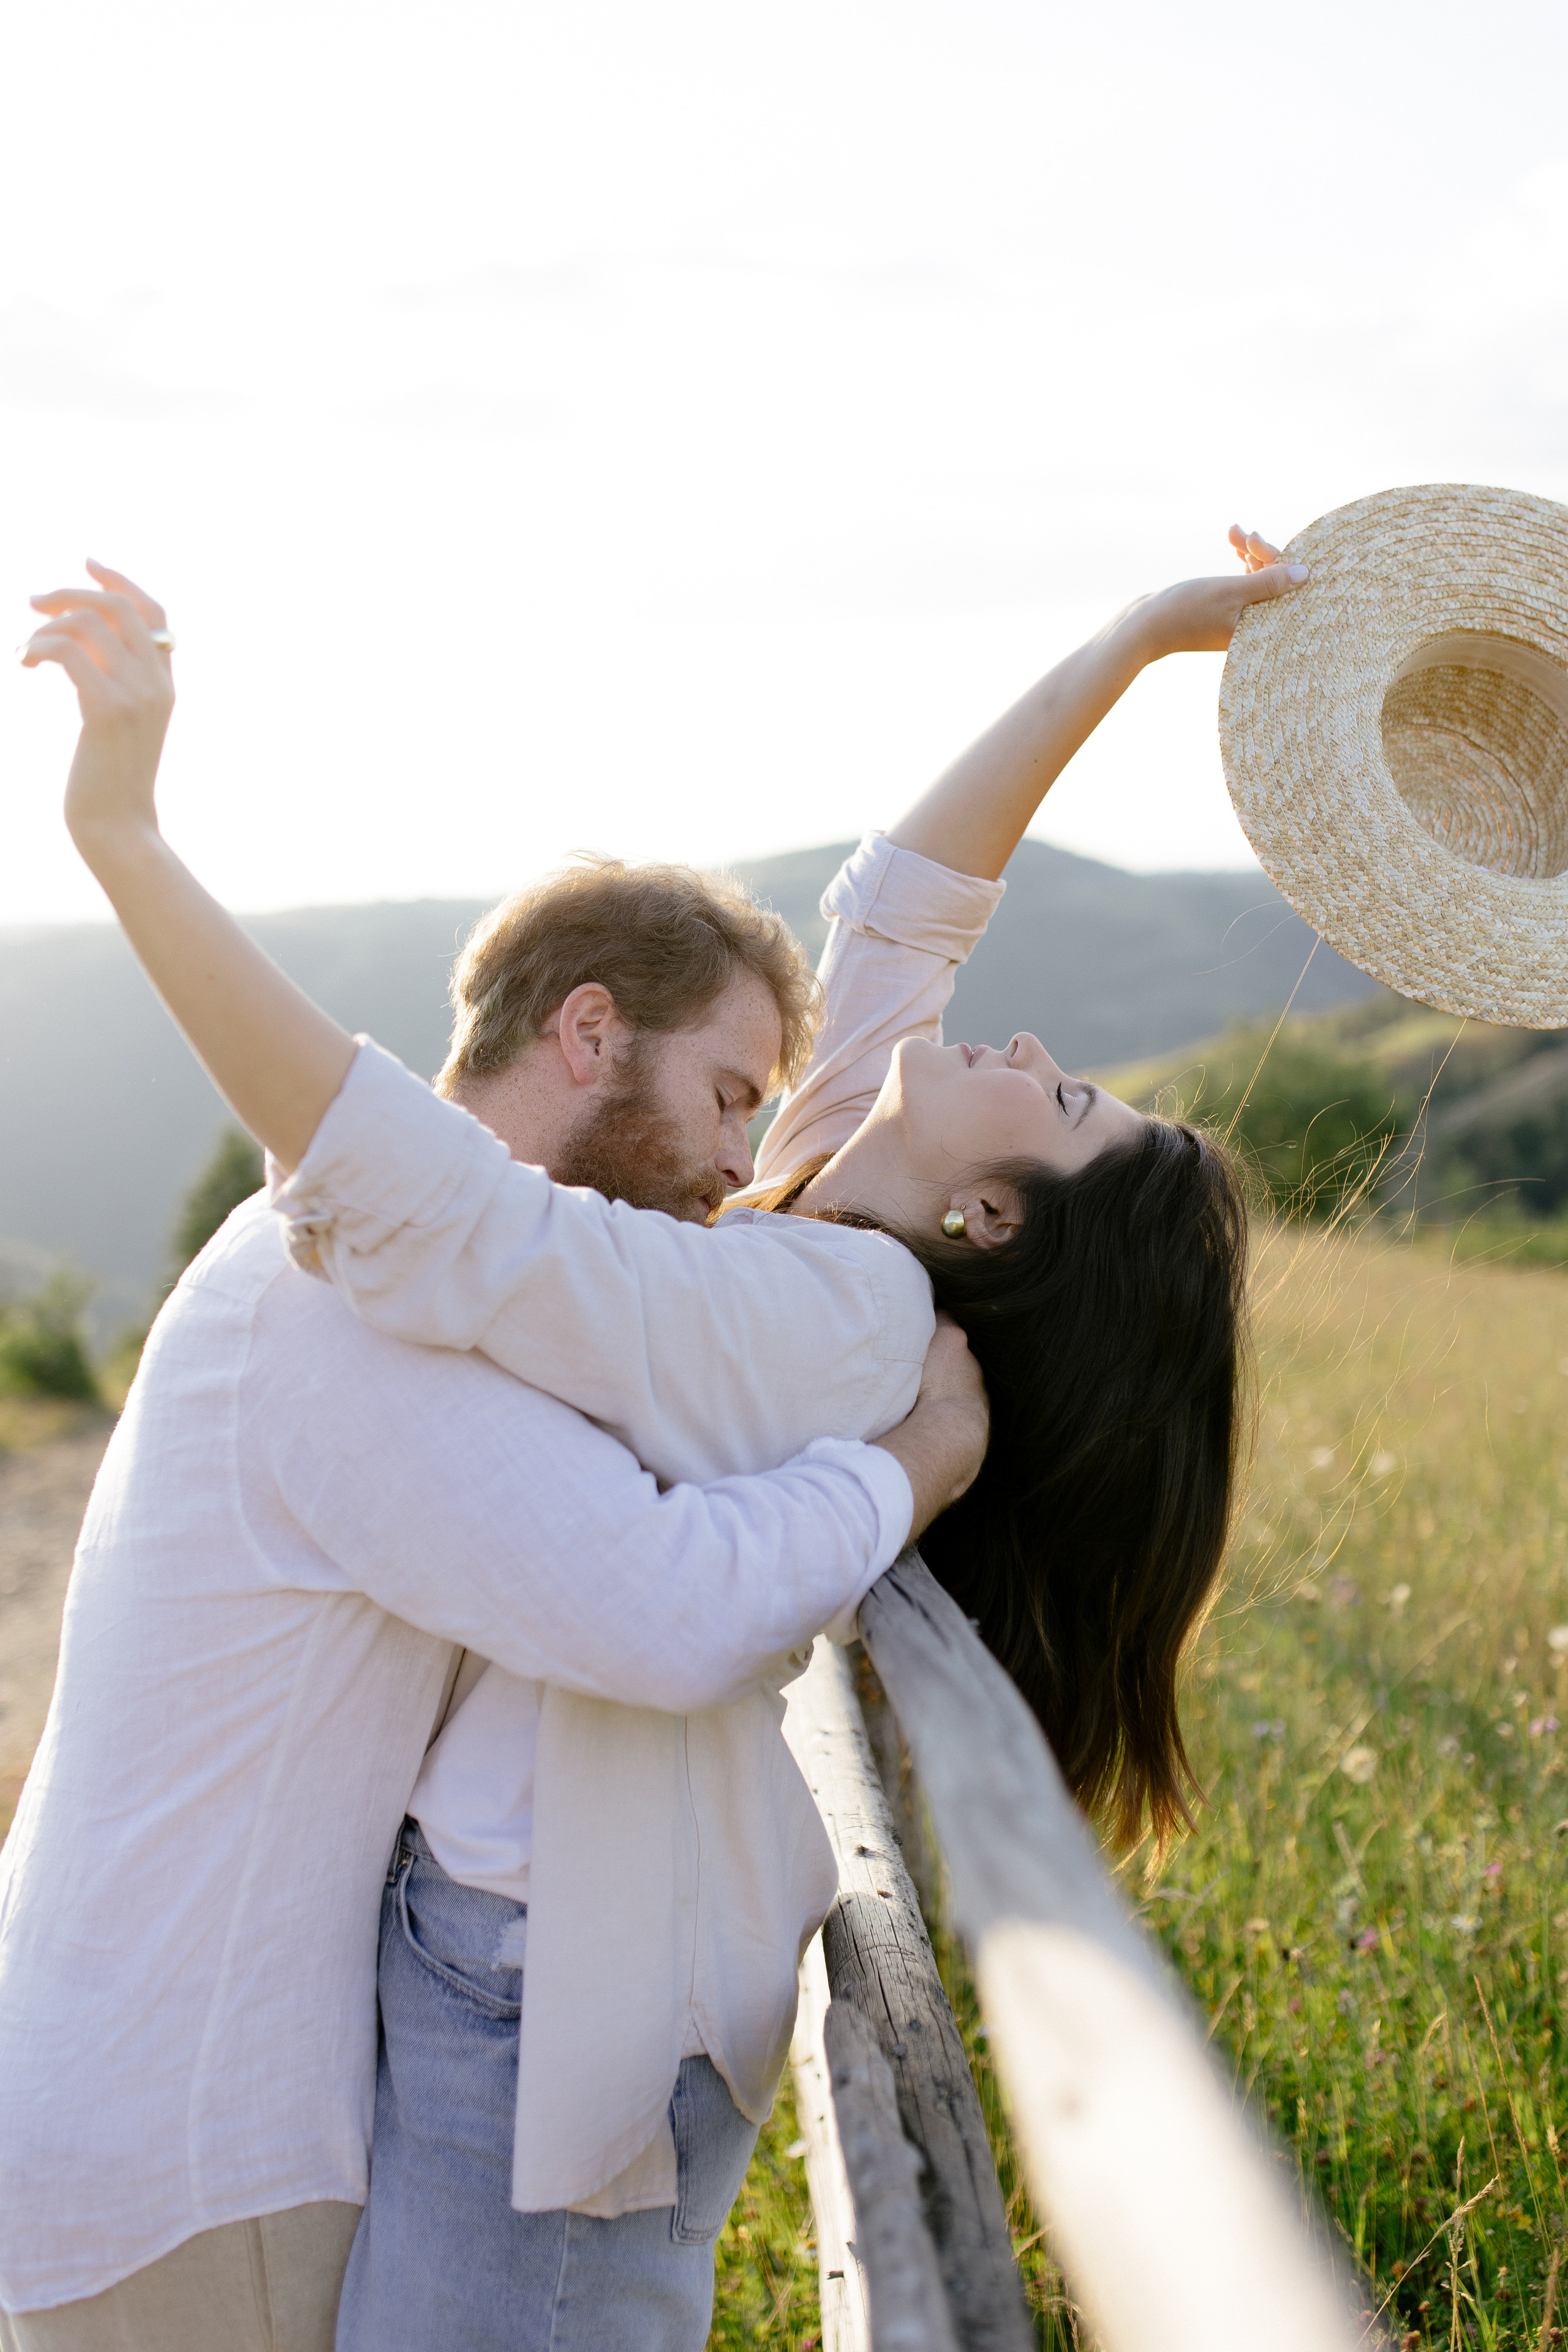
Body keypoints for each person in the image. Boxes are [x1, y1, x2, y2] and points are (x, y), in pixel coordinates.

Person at [9, 529, 1302, 2346]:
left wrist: (132, 843)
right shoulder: (790, 1253)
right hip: (217, 2115)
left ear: (997, 1222)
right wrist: (1128, 644)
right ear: (594, 1035)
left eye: (1060, 1095)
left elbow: (495, 1287)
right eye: (728, 1096)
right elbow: (904, 911)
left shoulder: (816, 1307)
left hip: (354, 2070)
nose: (736, 1149)